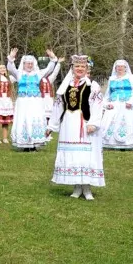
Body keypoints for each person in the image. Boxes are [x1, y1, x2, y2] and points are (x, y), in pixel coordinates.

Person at [48, 55, 107, 200]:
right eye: (77, 67)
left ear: (87, 69)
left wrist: (93, 123)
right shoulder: (65, 86)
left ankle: (87, 188)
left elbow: (98, 106)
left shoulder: (92, 85)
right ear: (72, 69)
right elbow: (58, 106)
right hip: (69, 124)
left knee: (86, 155)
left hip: (85, 123)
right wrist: (51, 125)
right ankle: (76, 187)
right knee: (72, 154)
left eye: (82, 67)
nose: (79, 69)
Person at [9, 49, 59, 151]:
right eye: (28, 63)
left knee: (35, 119)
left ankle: (34, 144)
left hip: (35, 102)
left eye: (31, 63)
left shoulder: (38, 73)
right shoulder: (19, 73)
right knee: (24, 120)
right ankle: (25, 144)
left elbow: (49, 69)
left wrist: (53, 58)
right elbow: (10, 68)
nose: (30, 65)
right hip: (23, 102)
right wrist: (11, 58)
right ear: (24, 64)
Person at [101, 60, 133, 151]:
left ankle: (128, 143)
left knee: (127, 122)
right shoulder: (112, 79)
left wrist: (131, 101)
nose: (119, 68)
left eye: (121, 67)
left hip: (126, 104)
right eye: (118, 67)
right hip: (114, 104)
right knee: (110, 122)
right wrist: (107, 104)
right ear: (115, 68)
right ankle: (111, 143)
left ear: (125, 68)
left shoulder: (131, 78)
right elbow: (108, 93)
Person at [40, 57, 62, 141]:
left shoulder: (49, 79)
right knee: (43, 116)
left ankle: (48, 133)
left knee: (49, 116)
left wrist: (58, 63)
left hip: (49, 98)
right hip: (41, 99)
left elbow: (55, 72)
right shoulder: (37, 79)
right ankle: (42, 132)